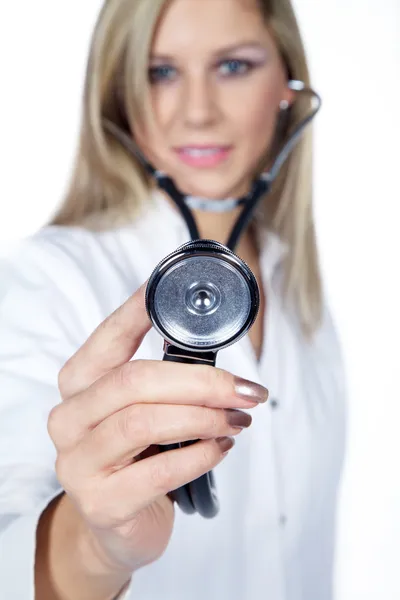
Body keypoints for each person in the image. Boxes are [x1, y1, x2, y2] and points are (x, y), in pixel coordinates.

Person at [0, 0, 347, 598]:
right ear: (119, 99)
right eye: (160, 72)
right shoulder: (48, 277)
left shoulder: (298, 284)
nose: (197, 113)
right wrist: (96, 543)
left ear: (288, 88)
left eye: (233, 66)